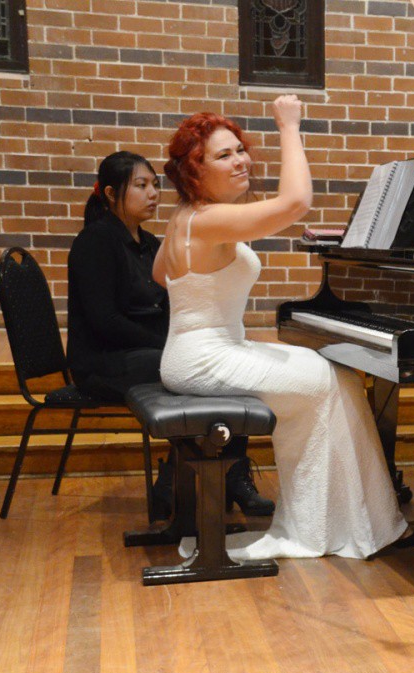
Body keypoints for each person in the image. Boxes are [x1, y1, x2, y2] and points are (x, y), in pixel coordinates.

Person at [154, 101, 408, 560]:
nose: (241, 161)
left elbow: (162, 275)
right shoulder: (207, 220)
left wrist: (214, 319)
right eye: (223, 155)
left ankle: (347, 520)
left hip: (199, 351)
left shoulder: (188, 217)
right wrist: (288, 125)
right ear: (195, 170)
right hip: (202, 359)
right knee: (324, 381)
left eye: (240, 150)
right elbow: (295, 203)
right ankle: (321, 527)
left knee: (338, 375)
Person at [66, 151, 274, 521]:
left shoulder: (149, 244)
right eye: (141, 185)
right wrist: (169, 347)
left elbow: (170, 307)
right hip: (102, 361)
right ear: (111, 194)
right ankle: (182, 481)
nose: (153, 193)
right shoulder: (94, 242)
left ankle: (212, 477)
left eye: (155, 185)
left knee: (224, 368)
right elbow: (104, 322)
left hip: (144, 352)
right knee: (200, 372)